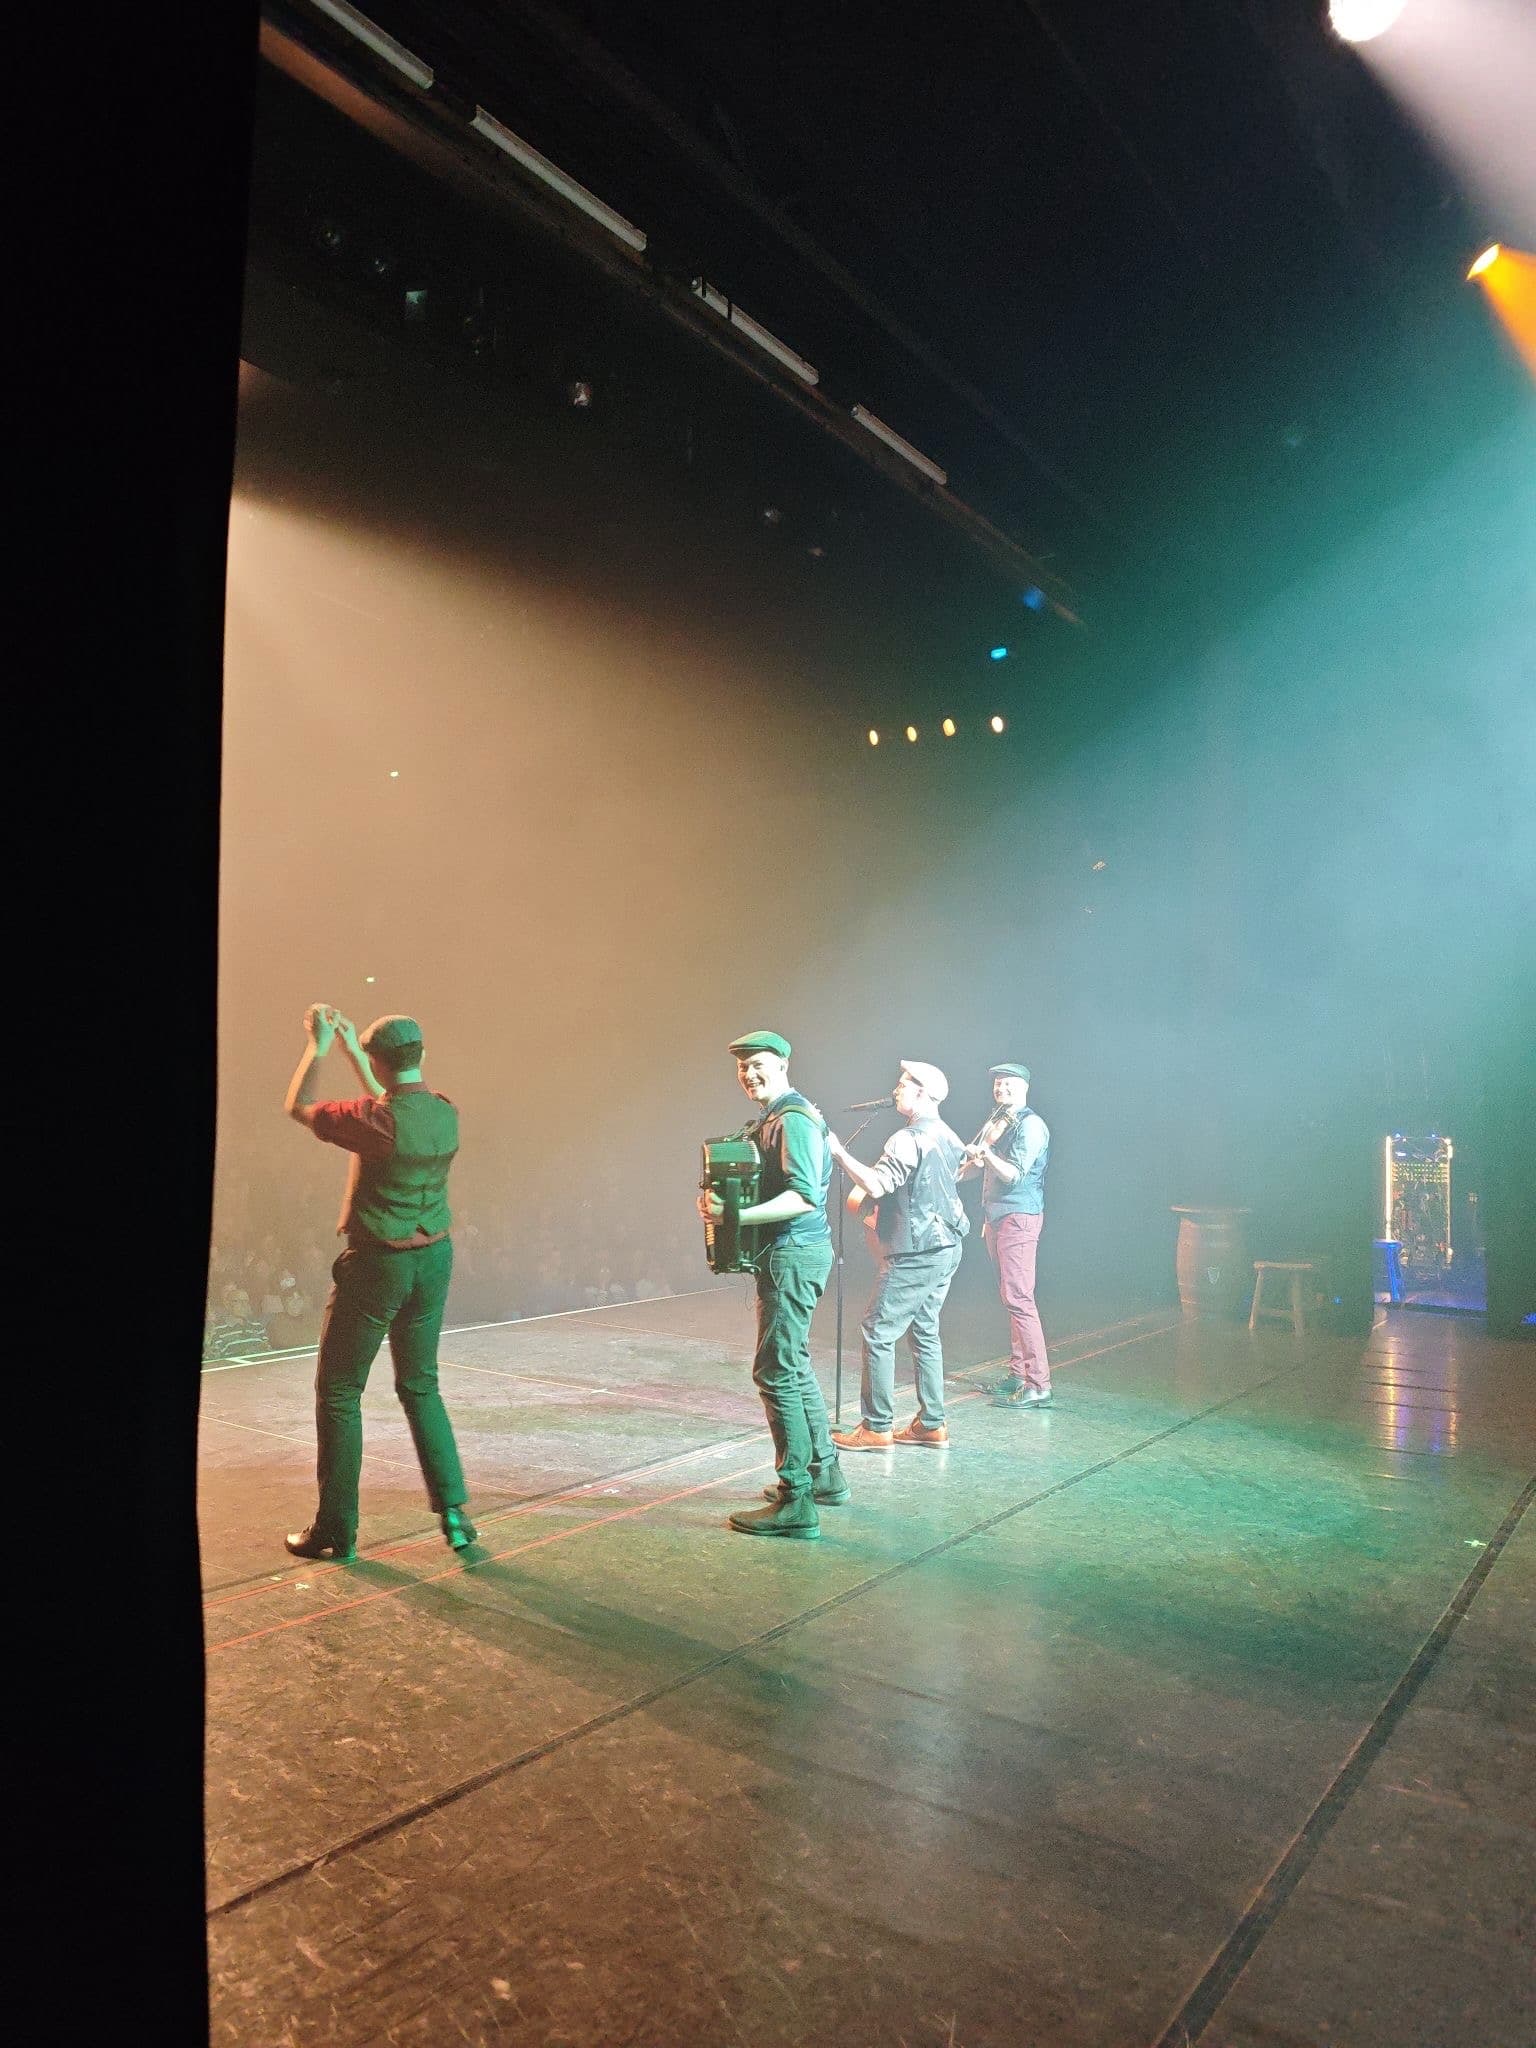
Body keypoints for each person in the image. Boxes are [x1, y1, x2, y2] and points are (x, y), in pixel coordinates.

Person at [281, 1003, 477, 1561]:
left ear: (379, 1063)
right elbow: (395, 1103)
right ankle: (456, 1512)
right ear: (421, 1056)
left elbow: (299, 1106)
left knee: (340, 1392)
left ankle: (335, 1531)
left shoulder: (379, 1123)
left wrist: (319, 1047)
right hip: (433, 1258)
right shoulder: (443, 1111)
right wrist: (353, 1050)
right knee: (421, 1386)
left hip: (378, 1264)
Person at [696, 1030, 847, 1538]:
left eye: (758, 1064)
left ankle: (796, 1501)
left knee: (775, 1372)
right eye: (742, 1068)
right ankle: (823, 1475)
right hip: (791, 1255)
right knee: (794, 1365)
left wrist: (733, 1213)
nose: (749, 1074)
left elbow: (804, 1197)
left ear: (783, 1063)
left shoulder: (794, 1121)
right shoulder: (784, 1117)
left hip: (793, 1255)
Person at [828, 1061, 967, 1450]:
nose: (896, 1090)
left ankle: (876, 1426)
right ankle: (932, 1423)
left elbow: (877, 1181)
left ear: (922, 1092)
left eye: (903, 1084)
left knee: (878, 1330)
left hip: (916, 1250)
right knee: (924, 1330)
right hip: (948, 1245)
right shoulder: (948, 1135)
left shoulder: (906, 1139)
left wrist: (839, 1153)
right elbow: (955, 1176)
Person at [960, 1062, 1052, 1408]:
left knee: (1019, 1298)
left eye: (1008, 1083)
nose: (1001, 1089)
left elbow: (1012, 1174)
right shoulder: (995, 1122)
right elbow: (977, 1169)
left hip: (1019, 1217)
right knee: (1010, 1297)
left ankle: (1039, 1383)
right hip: (997, 1217)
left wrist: (987, 1154)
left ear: (1025, 1086)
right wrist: (951, 1174)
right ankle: (1018, 1375)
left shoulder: (1031, 1125)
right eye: (998, 1085)